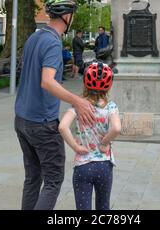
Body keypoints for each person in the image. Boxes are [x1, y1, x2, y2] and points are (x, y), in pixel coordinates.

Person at [14, 0, 96, 211]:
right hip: (42, 123)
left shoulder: (35, 37)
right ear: (67, 16)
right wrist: (78, 101)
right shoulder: (52, 41)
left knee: (32, 177)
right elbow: (47, 81)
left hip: (22, 120)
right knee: (52, 180)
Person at [59, 61, 121, 210]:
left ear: (85, 83)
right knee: (103, 207)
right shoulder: (111, 107)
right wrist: (104, 143)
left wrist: (75, 146)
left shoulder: (78, 106)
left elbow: (62, 126)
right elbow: (117, 128)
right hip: (104, 165)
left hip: (83, 166)